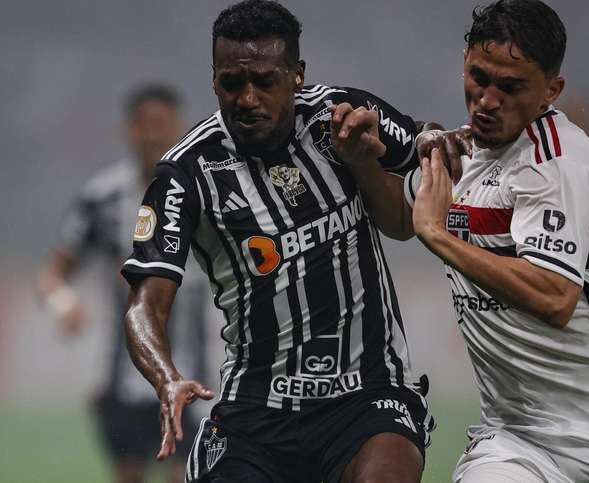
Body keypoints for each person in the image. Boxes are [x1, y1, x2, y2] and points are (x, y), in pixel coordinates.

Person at [354, 1, 589, 482]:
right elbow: (402, 217)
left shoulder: (557, 161)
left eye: (511, 87)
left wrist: (438, 235)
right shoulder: (464, 153)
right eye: (479, 77)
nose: (487, 99)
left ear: (551, 91)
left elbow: (554, 296)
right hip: (517, 437)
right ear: (463, 62)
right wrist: (360, 160)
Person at [118, 1, 471, 482]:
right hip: (256, 410)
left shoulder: (341, 117)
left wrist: (427, 141)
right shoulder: (186, 174)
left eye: (264, 81)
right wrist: (166, 378)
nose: (247, 98)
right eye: (231, 83)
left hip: (368, 394)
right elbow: (144, 306)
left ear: (296, 75)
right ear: (214, 80)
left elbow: (420, 142)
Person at [38, 84, 211, 483]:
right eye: (143, 124)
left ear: (180, 128)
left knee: (187, 475)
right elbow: (55, 272)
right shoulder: (104, 197)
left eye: (162, 124)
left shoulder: (207, 190)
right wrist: (64, 303)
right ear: (127, 130)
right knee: (128, 474)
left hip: (198, 371)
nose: (151, 134)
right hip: (124, 377)